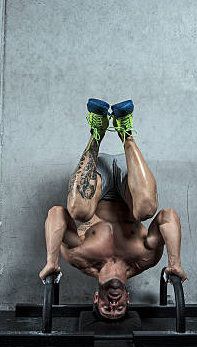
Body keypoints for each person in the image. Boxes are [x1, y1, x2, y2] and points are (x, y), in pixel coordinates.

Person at [39, 99, 187, 320]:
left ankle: (97, 131)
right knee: (146, 209)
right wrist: (174, 264)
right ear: (128, 299)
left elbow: (56, 214)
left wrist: (51, 261)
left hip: (96, 183)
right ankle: (125, 131)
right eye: (119, 308)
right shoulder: (143, 258)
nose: (114, 304)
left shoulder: (81, 257)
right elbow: (168, 217)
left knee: (77, 211)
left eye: (107, 308)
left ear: (96, 298)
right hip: (130, 186)